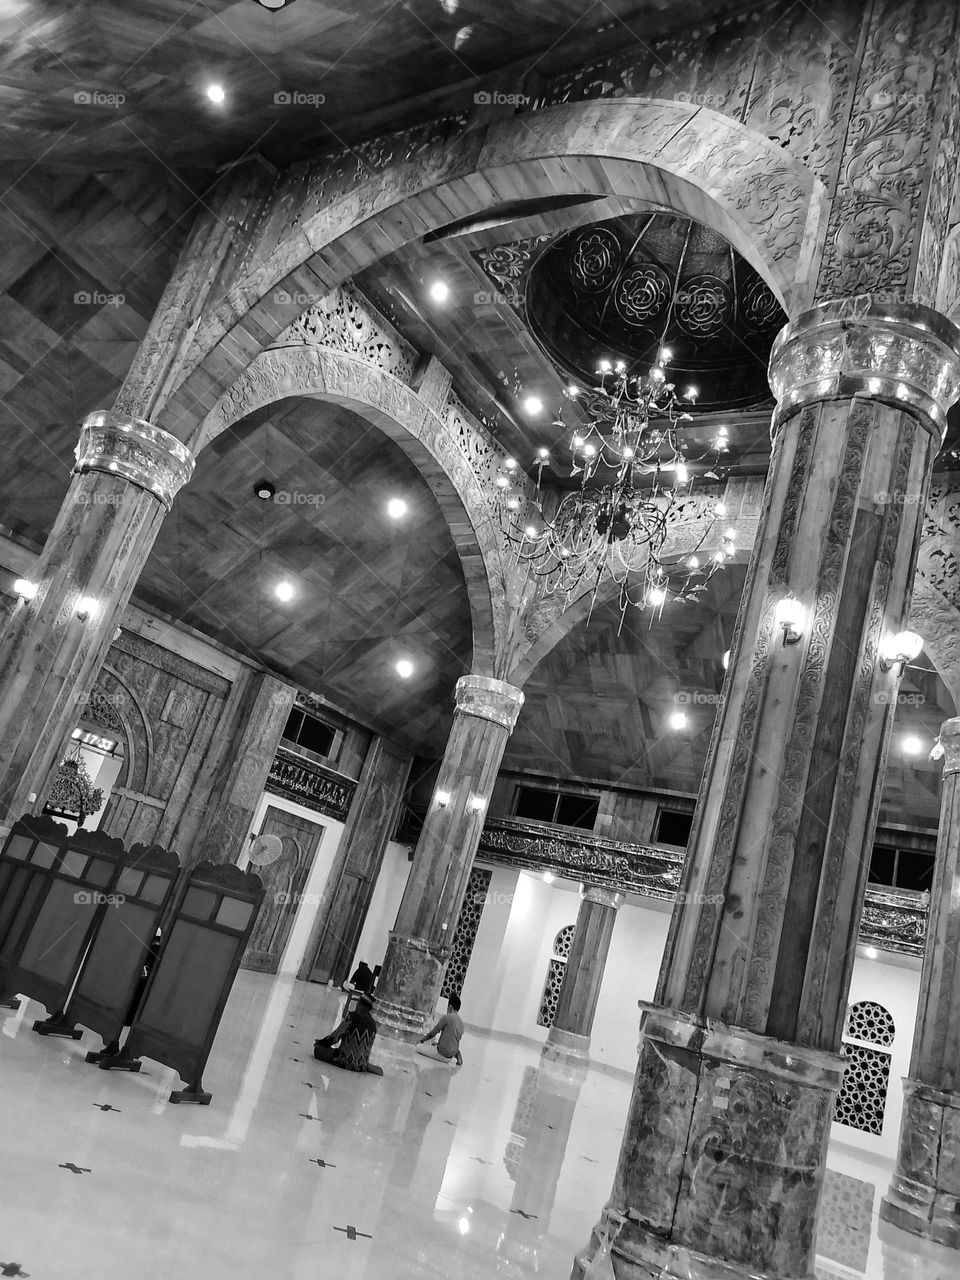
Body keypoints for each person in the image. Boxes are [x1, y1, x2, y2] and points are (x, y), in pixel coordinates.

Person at [314, 993, 383, 1075]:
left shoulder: (353, 1016)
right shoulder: (373, 1024)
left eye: (358, 1003)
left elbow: (335, 1037)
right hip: (360, 1065)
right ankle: (364, 1064)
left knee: (317, 1049)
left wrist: (321, 1042)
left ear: (360, 1005)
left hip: (344, 1060)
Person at [416, 994, 464, 1066]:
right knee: (436, 1044)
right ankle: (456, 1053)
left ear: (450, 1007)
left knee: (418, 1047)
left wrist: (422, 1041)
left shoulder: (447, 1017)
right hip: (450, 1057)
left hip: (442, 1054)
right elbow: (451, 1038)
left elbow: (433, 1033)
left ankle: (440, 1049)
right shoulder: (462, 1023)